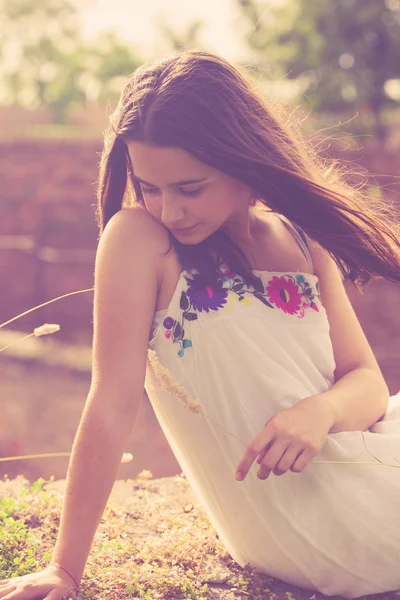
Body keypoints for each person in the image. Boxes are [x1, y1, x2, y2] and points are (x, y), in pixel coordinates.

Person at [1, 49, 400, 600]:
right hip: (327, 521)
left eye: (190, 188)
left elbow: (369, 384)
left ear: (245, 163)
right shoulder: (142, 242)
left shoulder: (302, 240)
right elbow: (112, 398)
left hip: (368, 462)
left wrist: (319, 411)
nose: (171, 211)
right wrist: (65, 570)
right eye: (150, 187)